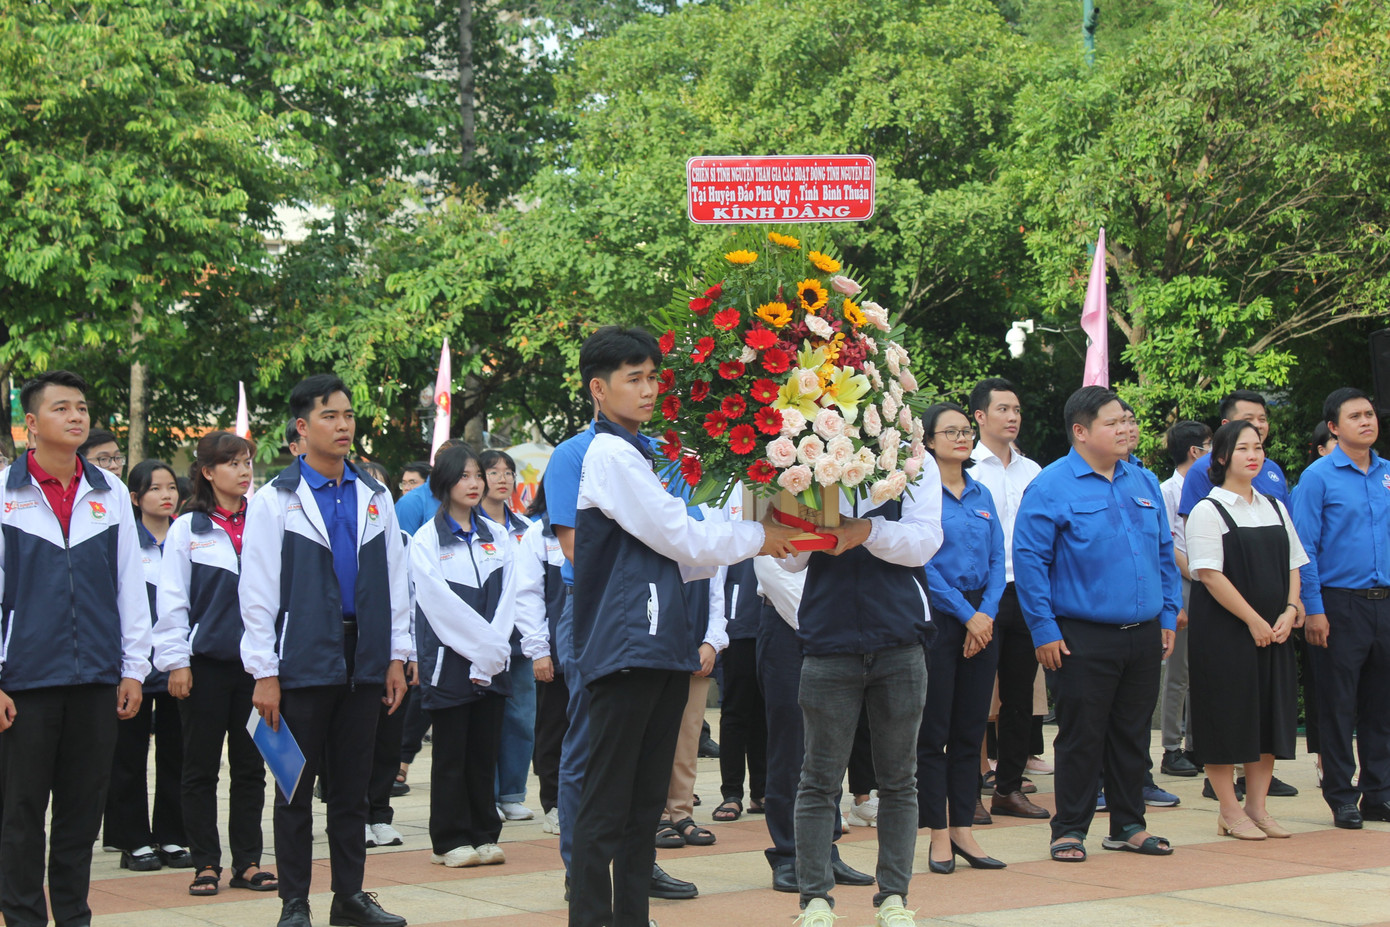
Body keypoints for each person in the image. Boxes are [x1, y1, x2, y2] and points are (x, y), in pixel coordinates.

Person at [559, 326, 799, 927]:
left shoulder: (644, 451)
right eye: (633, 379)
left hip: (661, 645)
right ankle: (592, 917)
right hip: (622, 647)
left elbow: (688, 558)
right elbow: (679, 534)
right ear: (598, 388)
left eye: (652, 378)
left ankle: (632, 916)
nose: (648, 390)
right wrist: (759, 535)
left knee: (645, 805)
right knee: (606, 801)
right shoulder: (610, 454)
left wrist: (760, 523)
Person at [240, 374, 412, 927]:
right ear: (301, 427)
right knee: (293, 786)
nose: (342, 426)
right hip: (299, 661)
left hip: (364, 660)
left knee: (354, 790)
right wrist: (264, 671)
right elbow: (258, 589)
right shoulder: (274, 499)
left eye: (347, 416)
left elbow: (396, 579)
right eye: (329, 416)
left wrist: (396, 656)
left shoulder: (375, 495)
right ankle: (295, 902)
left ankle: (350, 898)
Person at [0, 370, 152, 927]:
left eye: (82, 407)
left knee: (80, 815)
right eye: (62, 408)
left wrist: (134, 668)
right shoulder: (5, 494)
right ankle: (21, 919)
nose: (76, 416)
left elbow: (129, 587)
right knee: (19, 815)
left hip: (95, 679)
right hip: (25, 684)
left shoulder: (108, 491)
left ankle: (73, 917)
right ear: (31, 425)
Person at [1013, 385, 1181, 862]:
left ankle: (1129, 824)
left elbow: (1164, 553)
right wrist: (1043, 630)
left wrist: (1168, 612)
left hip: (1144, 632)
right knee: (1082, 735)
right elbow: (1029, 564)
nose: (1127, 429)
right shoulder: (1050, 485)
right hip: (1079, 635)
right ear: (1081, 432)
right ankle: (1069, 829)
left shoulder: (1142, 481)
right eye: (1114, 422)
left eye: (1128, 420)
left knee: (1132, 734)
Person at [783, 428, 942, 927]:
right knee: (818, 780)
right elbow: (787, 556)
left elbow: (924, 542)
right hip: (829, 640)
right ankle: (814, 900)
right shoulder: (802, 459)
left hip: (898, 639)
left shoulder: (912, 459)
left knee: (899, 779)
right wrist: (790, 505)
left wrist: (865, 531)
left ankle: (893, 895)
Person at [154, 431, 273, 896]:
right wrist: (176, 662)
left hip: (256, 669)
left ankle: (247, 861)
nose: (244, 471)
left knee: (251, 768)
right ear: (207, 472)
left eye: (247, 462)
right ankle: (205, 863)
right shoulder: (189, 527)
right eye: (232, 463)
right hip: (204, 667)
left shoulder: (265, 520)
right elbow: (172, 600)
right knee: (200, 769)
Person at [1186, 420, 1307, 840]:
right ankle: (1229, 809)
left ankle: (1257, 807)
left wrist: (1291, 609)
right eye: (1242, 449)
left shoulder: (1273, 505)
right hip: (1225, 633)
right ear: (1221, 457)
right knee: (1226, 717)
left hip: (1274, 630)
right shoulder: (1208, 509)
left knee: (1268, 716)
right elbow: (1209, 575)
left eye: (1258, 447)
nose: (1254, 455)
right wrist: (1253, 620)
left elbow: (1294, 563)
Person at [1290, 387, 1390, 829]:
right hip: (1337, 603)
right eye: (1355, 416)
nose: (1366, 422)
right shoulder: (1318, 476)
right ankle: (1342, 796)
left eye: (1370, 414)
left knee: (1380, 705)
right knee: (1336, 705)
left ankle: (1379, 794)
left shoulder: (1388, 472)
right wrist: (1313, 608)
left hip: (1384, 602)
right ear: (1333, 427)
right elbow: (1303, 547)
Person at [411, 444, 515, 867]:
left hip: (493, 664)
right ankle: (449, 841)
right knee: (451, 753)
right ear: (445, 483)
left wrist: (492, 654)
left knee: (483, 752)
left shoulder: (501, 536)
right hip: (448, 662)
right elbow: (439, 607)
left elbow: (512, 598)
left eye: (478, 475)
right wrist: (482, 650)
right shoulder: (425, 540)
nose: (474, 484)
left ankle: (483, 834)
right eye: (464, 476)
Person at [916, 403, 1006, 874]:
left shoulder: (982, 493)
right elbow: (922, 564)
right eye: (949, 432)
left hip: (982, 619)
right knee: (934, 733)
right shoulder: (918, 494)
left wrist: (986, 614)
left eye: (966, 431)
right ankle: (936, 833)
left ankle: (964, 829)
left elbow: (997, 561)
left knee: (971, 727)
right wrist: (967, 614)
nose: (961, 438)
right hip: (939, 617)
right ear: (928, 441)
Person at [753, 556, 873, 893]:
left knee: (830, 746)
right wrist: (818, 624)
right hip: (789, 622)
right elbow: (771, 565)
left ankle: (824, 851)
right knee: (790, 746)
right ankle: (789, 854)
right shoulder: (775, 500)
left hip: (835, 624)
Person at [103, 459, 191, 872]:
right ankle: (132, 840)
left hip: (177, 667)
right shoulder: (124, 541)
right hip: (133, 669)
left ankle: (173, 836)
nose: (166, 495)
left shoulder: (187, 537)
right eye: (155, 489)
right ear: (135, 498)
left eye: (171, 487)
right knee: (128, 756)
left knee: (178, 753)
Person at [967, 377, 1049, 822]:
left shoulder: (1033, 471)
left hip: (1026, 592)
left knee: (1020, 700)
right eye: (1002, 409)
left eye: (1016, 409)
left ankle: (1009, 789)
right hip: (979, 594)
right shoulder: (965, 468)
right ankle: (969, 792)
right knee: (975, 697)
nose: (1013, 417)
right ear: (979, 416)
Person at [477, 448, 540, 822]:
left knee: (521, 716)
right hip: (483, 637)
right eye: (493, 471)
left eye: (508, 472)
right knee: (486, 716)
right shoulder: (470, 527)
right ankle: (487, 794)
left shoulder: (528, 529)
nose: (502, 478)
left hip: (522, 637)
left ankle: (512, 793)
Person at [353, 461, 410, 849]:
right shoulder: (345, 536)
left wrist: (408, 653)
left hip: (392, 650)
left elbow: (408, 597)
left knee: (388, 738)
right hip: (353, 649)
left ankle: (380, 812)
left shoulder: (402, 538)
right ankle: (356, 815)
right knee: (356, 742)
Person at [514, 479, 568, 836]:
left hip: (598, 650)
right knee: (553, 730)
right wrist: (539, 650)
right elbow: (528, 594)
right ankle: (553, 803)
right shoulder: (541, 534)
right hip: (557, 652)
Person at [1158, 421, 1212, 779]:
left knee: (1205, 670)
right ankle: (1171, 747)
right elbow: (1166, 542)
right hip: (1185, 582)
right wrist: (1193, 572)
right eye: (1210, 446)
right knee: (1178, 672)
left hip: (1213, 584)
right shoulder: (1167, 490)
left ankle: (1197, 744)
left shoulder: (1213, 487)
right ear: (1195, 451)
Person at [713, 556, 766, 823]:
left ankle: (762, 790)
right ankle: (732, 792)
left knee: (767, 713)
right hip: (739, 627)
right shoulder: (734, 515)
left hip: (777, 622)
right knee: (736, 711)